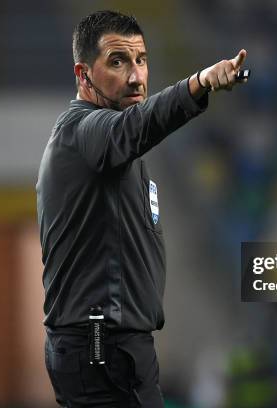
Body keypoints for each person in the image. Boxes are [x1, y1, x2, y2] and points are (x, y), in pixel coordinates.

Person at [36, 10, 248, 407]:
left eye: (142, 60)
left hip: (107, 345)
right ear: (83, 75)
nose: (136, 76)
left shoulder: (114, 153)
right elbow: (133, 128)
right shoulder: (84, 131)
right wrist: (198, 84)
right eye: (118, 62)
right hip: (101, 345)